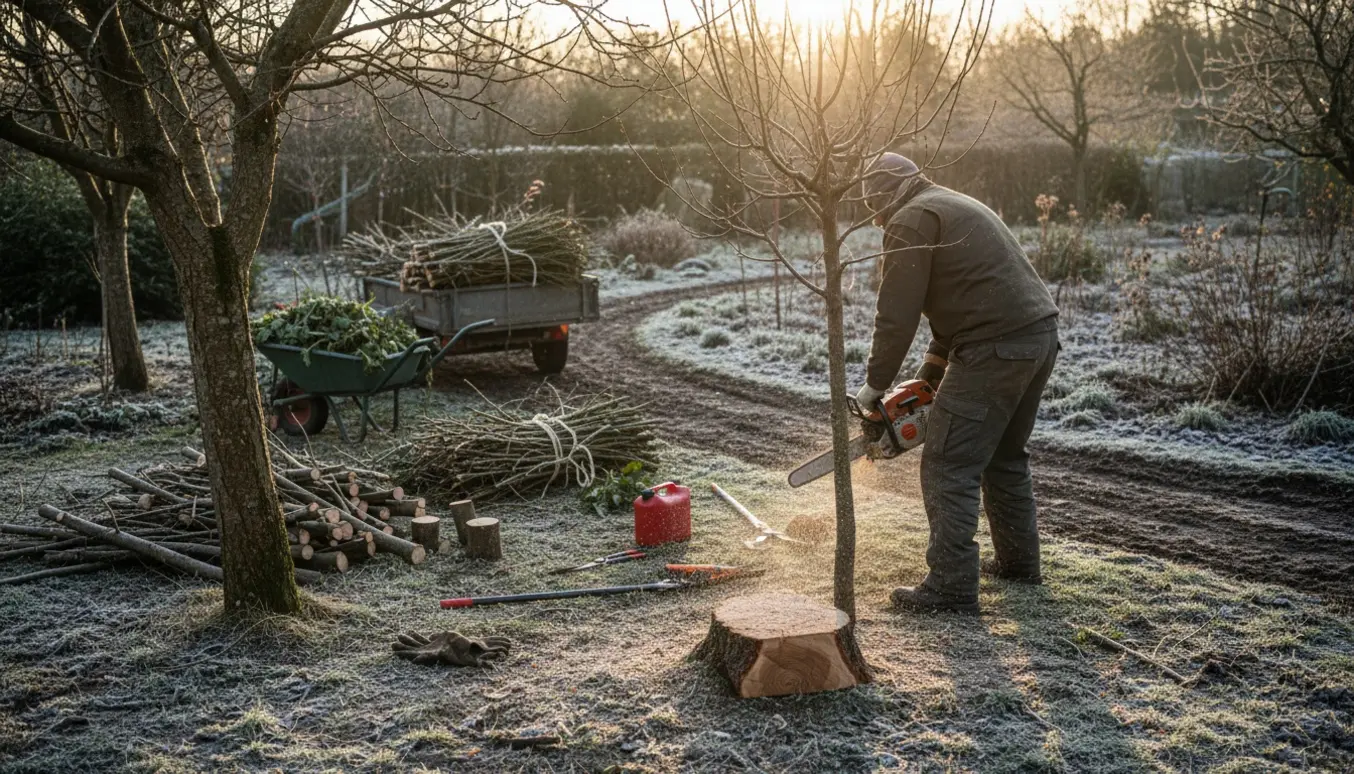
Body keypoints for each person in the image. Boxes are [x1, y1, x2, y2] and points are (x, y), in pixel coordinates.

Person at [857, 152, 1060, 614]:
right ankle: (1019, 564)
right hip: (1038, 336)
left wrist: (875, 385)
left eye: (875, 208)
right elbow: (964, 297)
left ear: (885, 195)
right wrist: (929, 374)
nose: (878, 219)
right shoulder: (949, 202)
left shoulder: (909, 219)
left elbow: (897, 313)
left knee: (948, 463)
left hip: (994, 345)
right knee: (1004, 455)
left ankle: (950, 587)